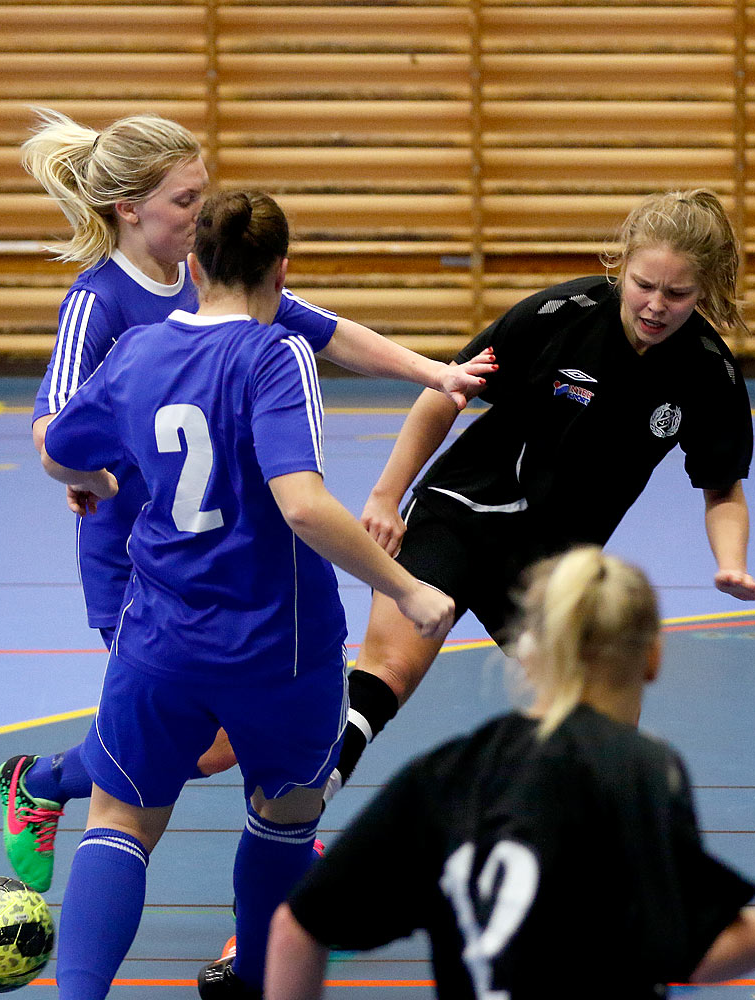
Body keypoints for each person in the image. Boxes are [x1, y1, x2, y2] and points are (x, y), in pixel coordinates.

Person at [0, 108, 493, 894]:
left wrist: (436, 372)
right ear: (130, 210)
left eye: (203, 195)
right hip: (142, 566)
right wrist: (92, 480)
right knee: (194, 740)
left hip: (221, 560)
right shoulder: (99, 302)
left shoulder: (216, 282)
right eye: (184, 201)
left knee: (207, 734)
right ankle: (47, 782)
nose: (201, 214)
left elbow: (329, 330)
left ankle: (273, 833)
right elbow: (51, 430)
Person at [37, 188, 458, 1000]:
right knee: (284, 819)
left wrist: (93, 477)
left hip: (159, 639)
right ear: (282, 269)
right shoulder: (275, 354)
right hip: (280, 648)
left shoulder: (138, 353)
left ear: (193, 268)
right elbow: (301, 503)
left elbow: (58, 450)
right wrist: (410, 592)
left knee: (120, 822)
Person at [328, 188, 755, 804]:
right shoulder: (559, 314)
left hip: (553, 566)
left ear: (707, 291)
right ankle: (304, 810)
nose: (655, 305)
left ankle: (582, 857)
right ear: (621, 266)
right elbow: (446, 392)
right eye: (644, 285)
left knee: (601, 713)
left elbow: (722, 485)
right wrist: (385, 496)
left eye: (677, 295)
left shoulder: (708, 372)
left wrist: (731, 563)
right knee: (392, 670)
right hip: (462, 513)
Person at [265, 547, 755, 1000]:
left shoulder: (447, 771)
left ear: (530, 653)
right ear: (653, 656)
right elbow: (694, 951)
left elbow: (297, 927)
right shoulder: (642, 768)